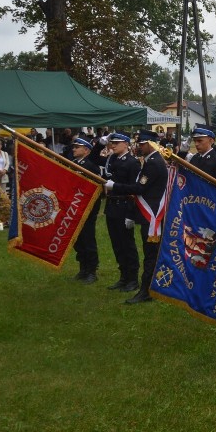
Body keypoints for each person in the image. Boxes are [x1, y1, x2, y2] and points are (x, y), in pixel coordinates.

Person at [105, 130, 169, 305]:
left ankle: (146, 290)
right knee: (149, 253)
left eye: (142, 144)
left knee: (150, 254)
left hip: (152, 215)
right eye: (139, 144)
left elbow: (139, 188)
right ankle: (147, 288)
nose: (139, 147)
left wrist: (114, 186)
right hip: (148, 214)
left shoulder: (154, 163)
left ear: (152, 144)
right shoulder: (151, 161)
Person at [101, 131, 141, 292]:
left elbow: (135, 188)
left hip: (125, 206)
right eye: (112, 143)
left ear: (126, 144)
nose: (113, 145)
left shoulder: (132, 163)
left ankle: (132, 279)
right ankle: (123, 276)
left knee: (127, 245)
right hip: (112, 206)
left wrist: (131, 215)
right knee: (117, 244)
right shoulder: (113, 160)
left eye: (117, 142)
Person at [68, 136, 102, 284]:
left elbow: (96, 189)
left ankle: (92, 271)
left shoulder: (91, 165)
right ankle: (83, 268)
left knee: (88, 239)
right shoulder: (74, 164)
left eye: (77, 147)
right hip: (75, 207)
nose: (74, 149)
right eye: (74, 147)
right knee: (78, 240)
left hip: (87, 208)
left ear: (86, 150)